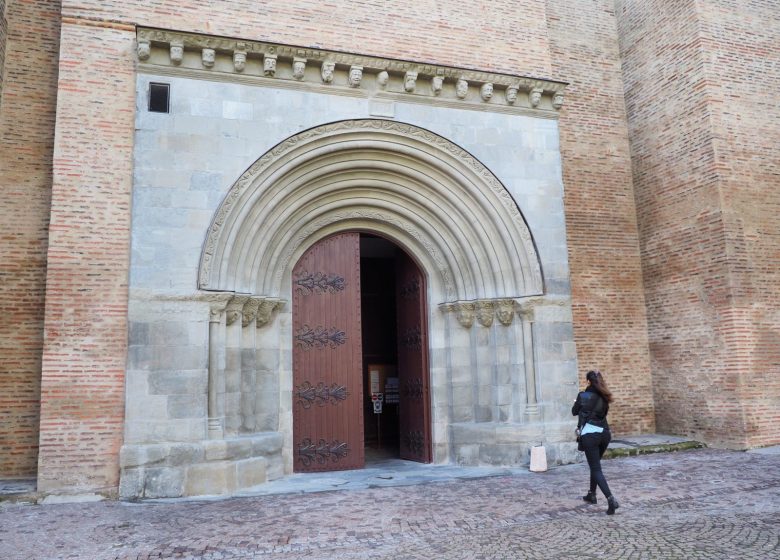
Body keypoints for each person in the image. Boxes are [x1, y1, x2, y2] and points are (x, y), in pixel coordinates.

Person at [572, 370, 620, 514]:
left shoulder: (583, 395)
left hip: (590, 434)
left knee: (596, 468)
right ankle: (592, 494)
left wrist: (577, 403)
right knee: (595, 466)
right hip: (604, 434)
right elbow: (603, 415)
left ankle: (611, 499)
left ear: (588, 381)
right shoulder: (605, 397)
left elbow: (574, 411)